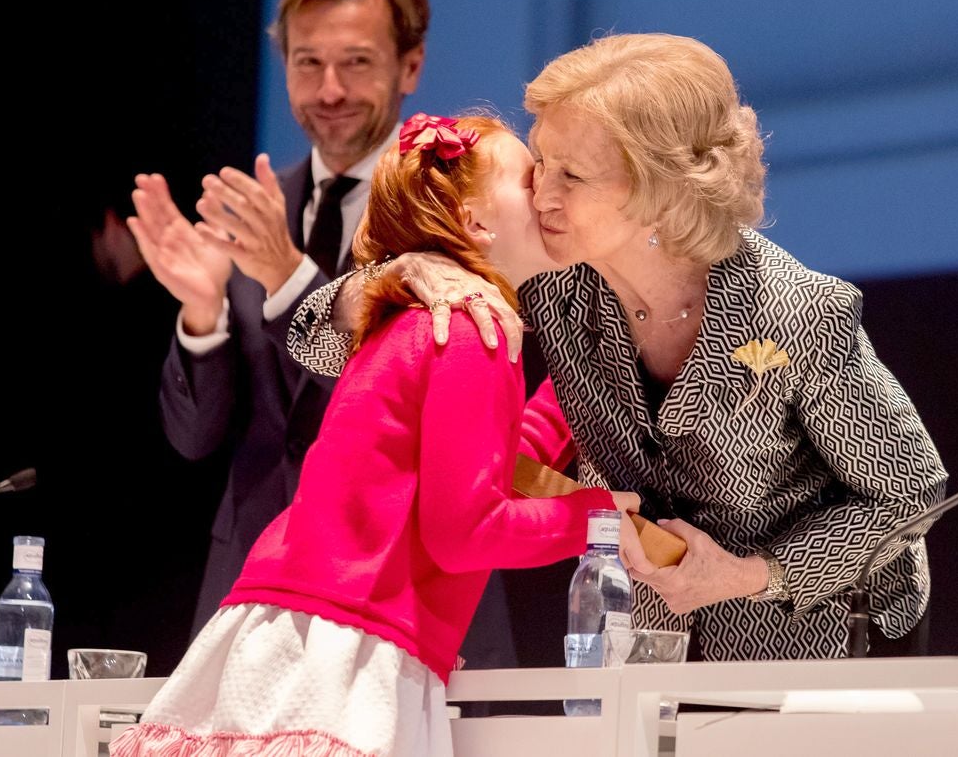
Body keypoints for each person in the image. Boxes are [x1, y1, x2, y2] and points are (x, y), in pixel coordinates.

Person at [289, 33, 949, 660]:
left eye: (571, 175)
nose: (538, 193)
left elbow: (910, 494)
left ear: (661, 191)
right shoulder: (554, 278)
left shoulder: (801, 312)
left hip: (813, 641)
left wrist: (752, 574)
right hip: (635, 633)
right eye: (540, 161)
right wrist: (395, 276)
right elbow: (310, 341)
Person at [113, 113, 640, 757]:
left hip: (293, 624)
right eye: (530, 179)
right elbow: (462, 531)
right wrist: (597, 517)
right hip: (352, 644)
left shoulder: (409, 317)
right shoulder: (472, 324)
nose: (547, 194)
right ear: (475, 222)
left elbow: (489, 459)